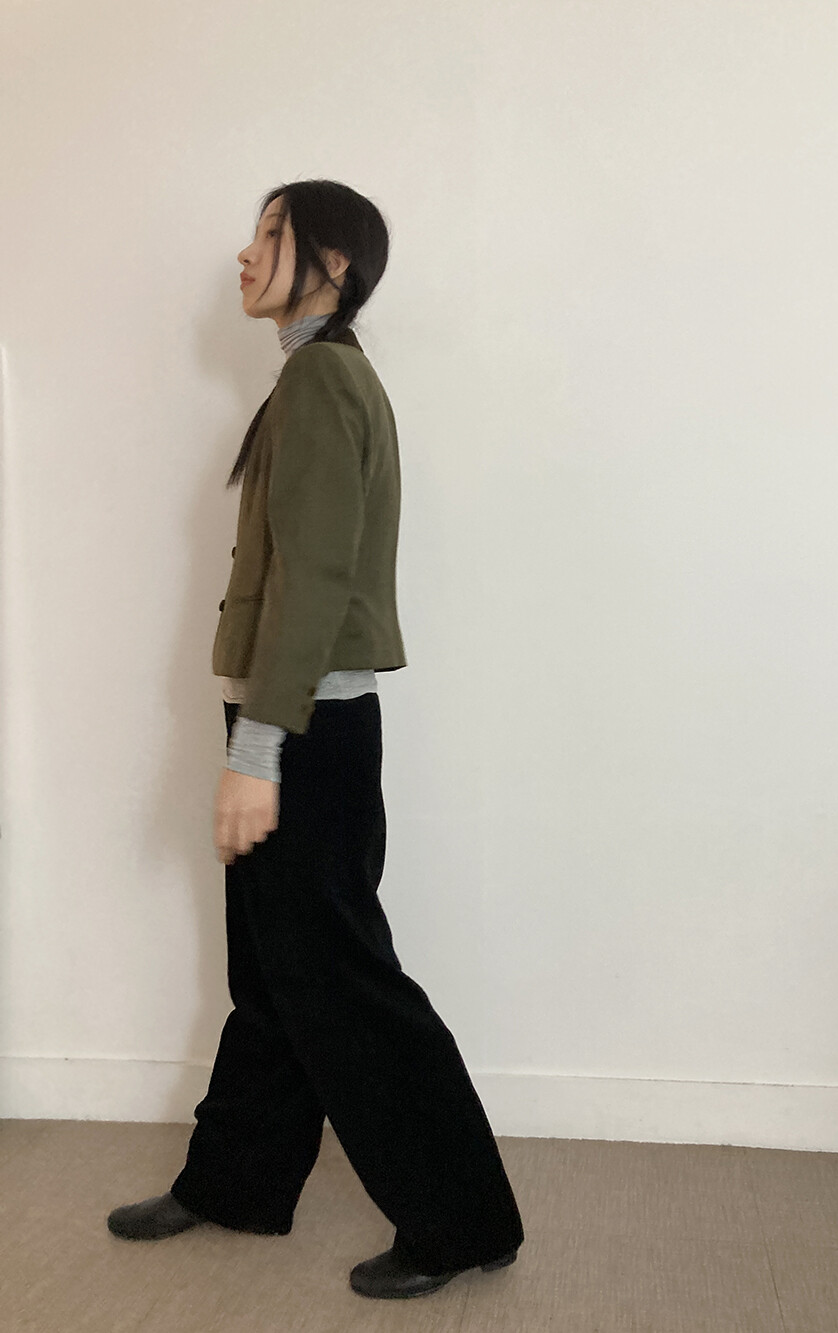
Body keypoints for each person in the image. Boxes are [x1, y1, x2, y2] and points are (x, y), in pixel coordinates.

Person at [106, 179, 524, 1300]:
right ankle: (238, 1180)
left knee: (341, 978)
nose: (243, 256)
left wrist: (259, 752)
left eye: (269, 234)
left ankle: (462, 1220)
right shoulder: (311, 378)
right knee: (274, 971)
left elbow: (317, 576)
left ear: (332, 263)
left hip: (307, 724)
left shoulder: (326, 381)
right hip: (293, 713)